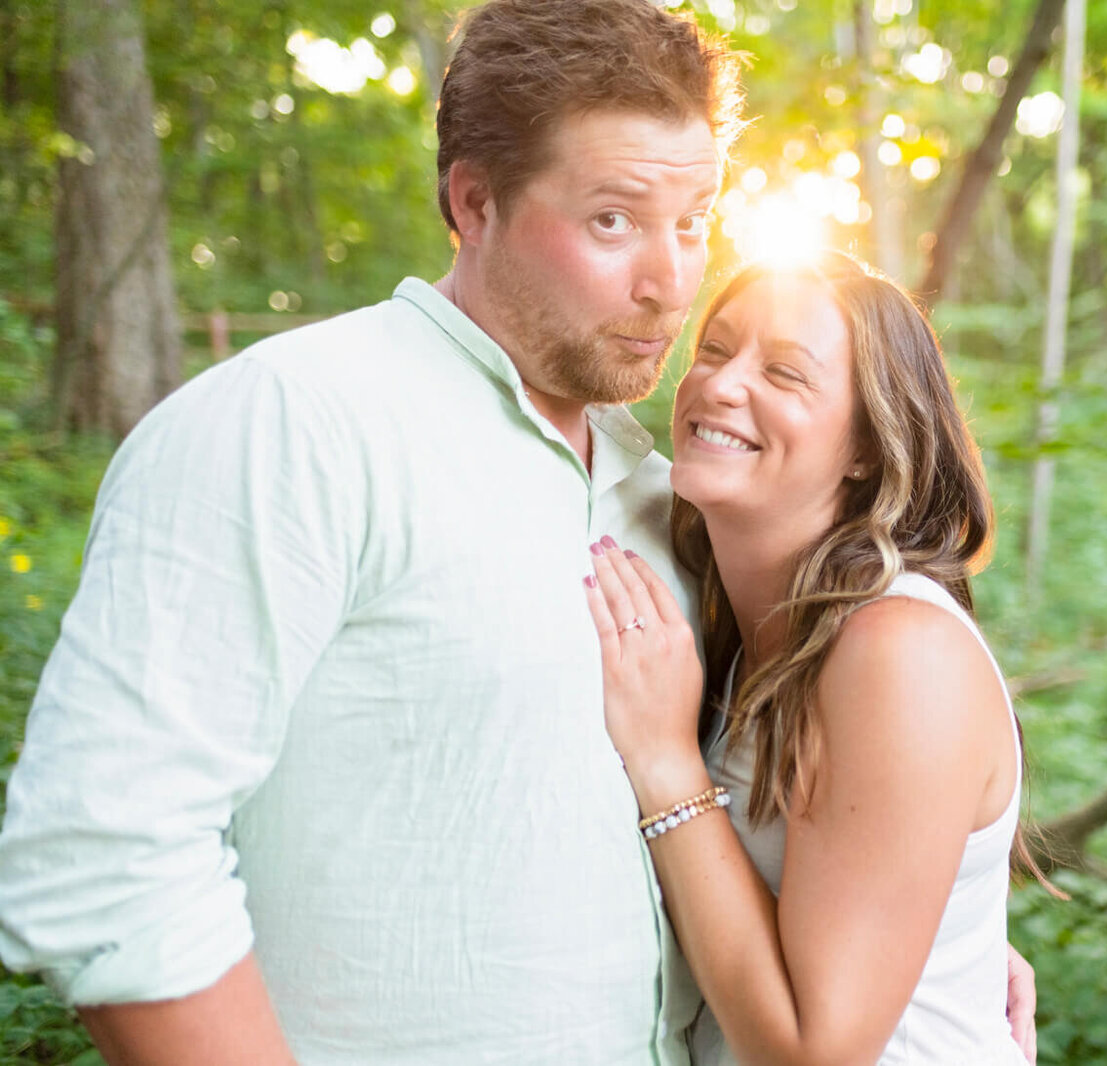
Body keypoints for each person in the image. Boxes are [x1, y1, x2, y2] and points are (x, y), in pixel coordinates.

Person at [0, 1, 1035, 1063]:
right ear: (473, 203)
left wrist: (944, 961)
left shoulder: (662, 497)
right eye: (613, 221)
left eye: (693, 222)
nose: (669, 282)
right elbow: (104, 853)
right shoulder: (295, 424)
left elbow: (834, 844)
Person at [582, 253, 1033, 1064]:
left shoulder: (897, 651)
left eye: (785, 372)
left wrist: (665, 762)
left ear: (867, 445)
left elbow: (814, 1053)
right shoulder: (738, 623)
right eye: (714, 350)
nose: (719, 385)